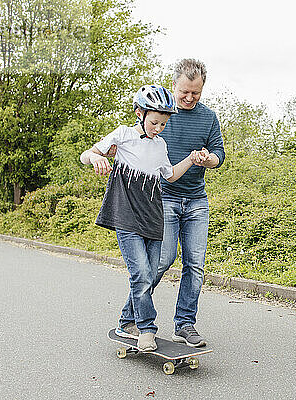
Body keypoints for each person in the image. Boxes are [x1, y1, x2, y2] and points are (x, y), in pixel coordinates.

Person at [80, 84, 202, 352]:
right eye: (155, 122)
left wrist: (191, 160)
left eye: (164, 123)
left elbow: (169, 175)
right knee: (142, 274)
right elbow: (87, 154)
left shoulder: (160, 145)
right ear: (140, 113)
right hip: (125, 216)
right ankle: (147, 328)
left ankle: (127, 321)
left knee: (147, 274)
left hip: (152, 218)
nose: (158, 128)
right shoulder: (123, 135)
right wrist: (95, 158)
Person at [152, 59, 226, 348]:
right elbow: (142, 143)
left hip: (196, 200)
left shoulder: (208, 117)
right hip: (164, 197)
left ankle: (184, 325)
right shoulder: (161, 114)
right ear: (174, 86)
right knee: (163, 259)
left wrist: (210, 160)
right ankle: (132, 315)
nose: (189, 97)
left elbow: (219, 152)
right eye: (184, 91)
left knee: (195, 265)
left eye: (195, 92)